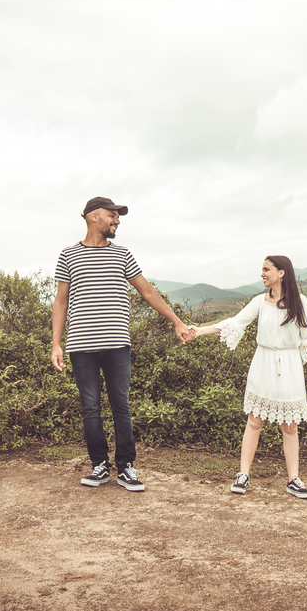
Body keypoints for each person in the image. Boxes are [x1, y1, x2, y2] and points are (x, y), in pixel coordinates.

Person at [51, 196, 194, 492]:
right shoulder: (68, 255)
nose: (117, 220)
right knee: (90, 407)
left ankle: (126, 467)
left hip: (117, 343)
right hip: (80, 346)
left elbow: (148, 291)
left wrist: (177, 321)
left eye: (118, 216)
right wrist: (56, 344)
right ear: (94, 217)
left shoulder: (123, 254)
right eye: (112, 215)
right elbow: (61, 301)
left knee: (121, 406)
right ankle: (99, 465)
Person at [189, 255, 307, 499]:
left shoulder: (299, 302)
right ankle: (243, 475)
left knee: (290, 425)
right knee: (255, 420)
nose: (262, 274)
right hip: (263, 363)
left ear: (281, 273)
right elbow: (234, 323)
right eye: (262, 270)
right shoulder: (260, 302)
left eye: (266, 269)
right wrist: (199, 331)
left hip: (290, 365)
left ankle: (293, 479)